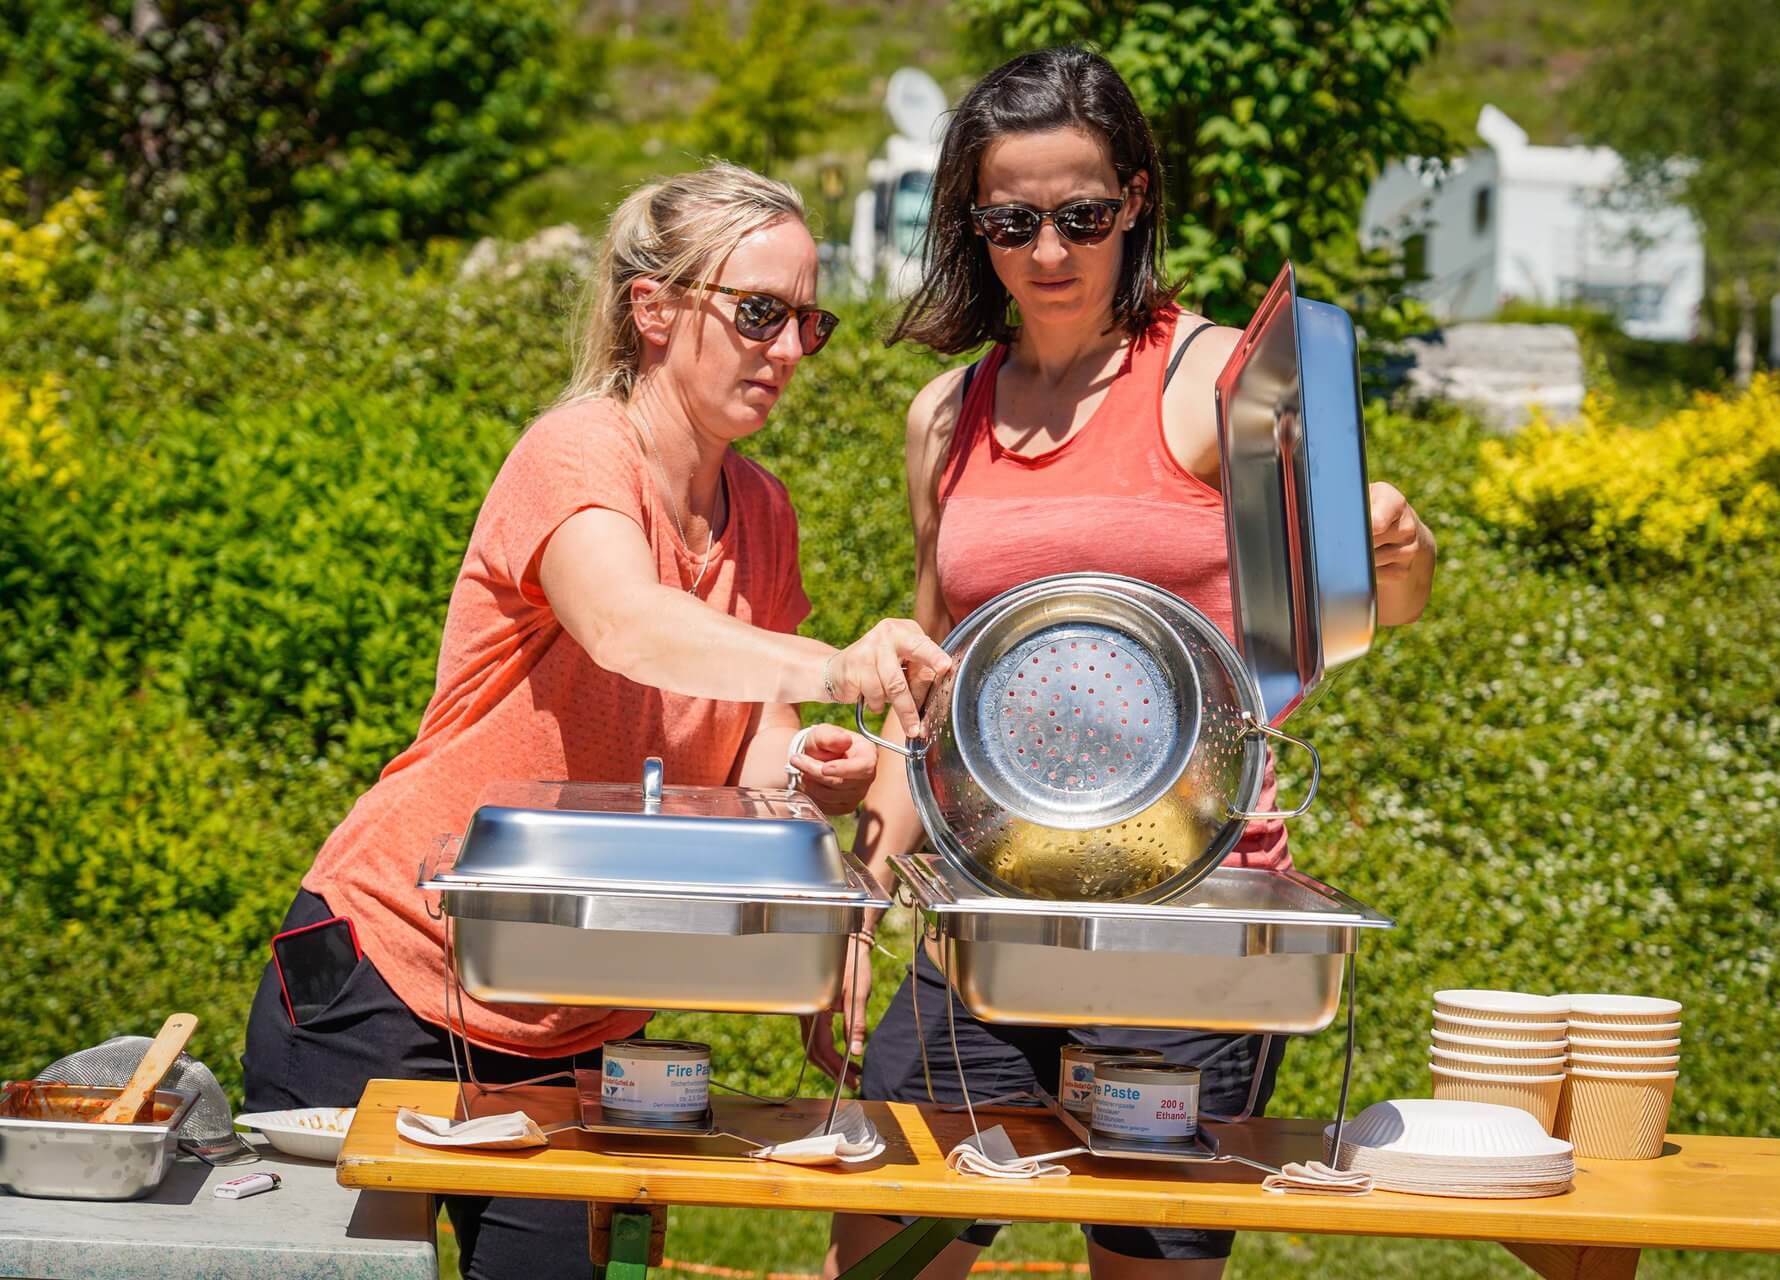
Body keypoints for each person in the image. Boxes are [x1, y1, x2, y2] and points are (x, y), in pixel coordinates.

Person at [241, 162, 951, 1280]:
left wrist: (808, 766)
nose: (786, 349)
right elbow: (627, 624)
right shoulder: (577, 452)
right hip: (391, 971)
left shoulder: (762, 512)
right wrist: (838, 665)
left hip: (577, 1013)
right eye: (757, 312)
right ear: (652, 307)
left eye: (807, 322)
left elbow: (749, 742)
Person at [818, 48, 1437, 1280]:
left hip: (1188, 920)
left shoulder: (1217, 382)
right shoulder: (945, 414)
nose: (1049, 250)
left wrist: (1400, 549)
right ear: (974, 222)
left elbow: (1351, 599)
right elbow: (932, 685)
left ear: (1136, 199)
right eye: (1013, 222)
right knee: (884, 1246)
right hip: (990, 914)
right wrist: (862, 897)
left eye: (1084, 216)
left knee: (1145, 1260)